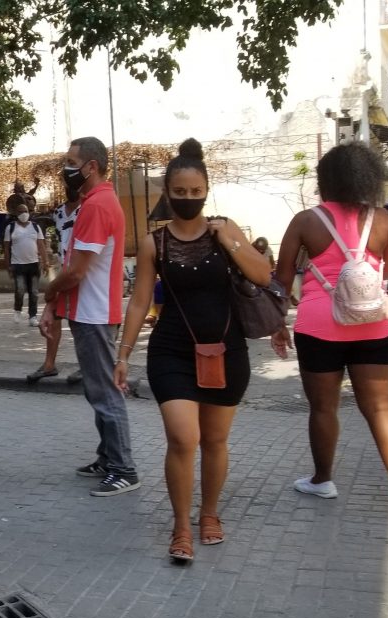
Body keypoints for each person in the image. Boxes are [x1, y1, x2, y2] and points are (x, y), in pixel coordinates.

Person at [113, 138, 271, 562]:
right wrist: (124, 354)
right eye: (179, 192)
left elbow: (262, 275)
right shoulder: (154, 243)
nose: (187, 199)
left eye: (194, 192)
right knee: (184, 438)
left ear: (206, 190)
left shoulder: (227, 229)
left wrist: (231, 243)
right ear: (167, 193)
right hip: (172, 351)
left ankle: (210, 514)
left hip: (226, 349)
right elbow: (140, 301)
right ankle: (181, 525)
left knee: (215, 441)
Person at [271, 142, 388, 518]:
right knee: (382, 407)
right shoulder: (383, 220)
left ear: (326, 180)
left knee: (323, 408)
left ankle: (323, 479)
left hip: (319, 325)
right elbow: (384, 273)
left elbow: (282, 279)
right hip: (374, 325)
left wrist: (277, 325)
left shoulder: (306, 221)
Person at [40, 136, 139, 497]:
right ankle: (109, 457)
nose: (66, 169)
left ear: (90, 166)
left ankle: (124, 467)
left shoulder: (97, 206)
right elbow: (74, 265)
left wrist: (49, 293)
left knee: (104, 392)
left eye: (71, 161)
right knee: (98, 388)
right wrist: (55, 304)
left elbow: (76, 272)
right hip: (90, 311)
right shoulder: (93, 203)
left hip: (94, 313)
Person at [29, 185, 82, 384]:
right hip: (64, 267)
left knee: (79, 320)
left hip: (80, 267)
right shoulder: (59, 212)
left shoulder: (87, 208)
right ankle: (49, 364)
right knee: (55, 316)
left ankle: (84, 364)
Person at [5, 205, 49, 326]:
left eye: (25, 211)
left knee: (34, 291)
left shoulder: (35, 227)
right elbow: (7, 248)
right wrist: (8, 265)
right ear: (16, 213)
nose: (23, 214)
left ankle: (32, 316)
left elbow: (41, 245)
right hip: (17, 264)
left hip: (33, 264)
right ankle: (18, 310)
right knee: (20, 289)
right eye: (20, 212)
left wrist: (45, 262)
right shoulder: (11, 228)